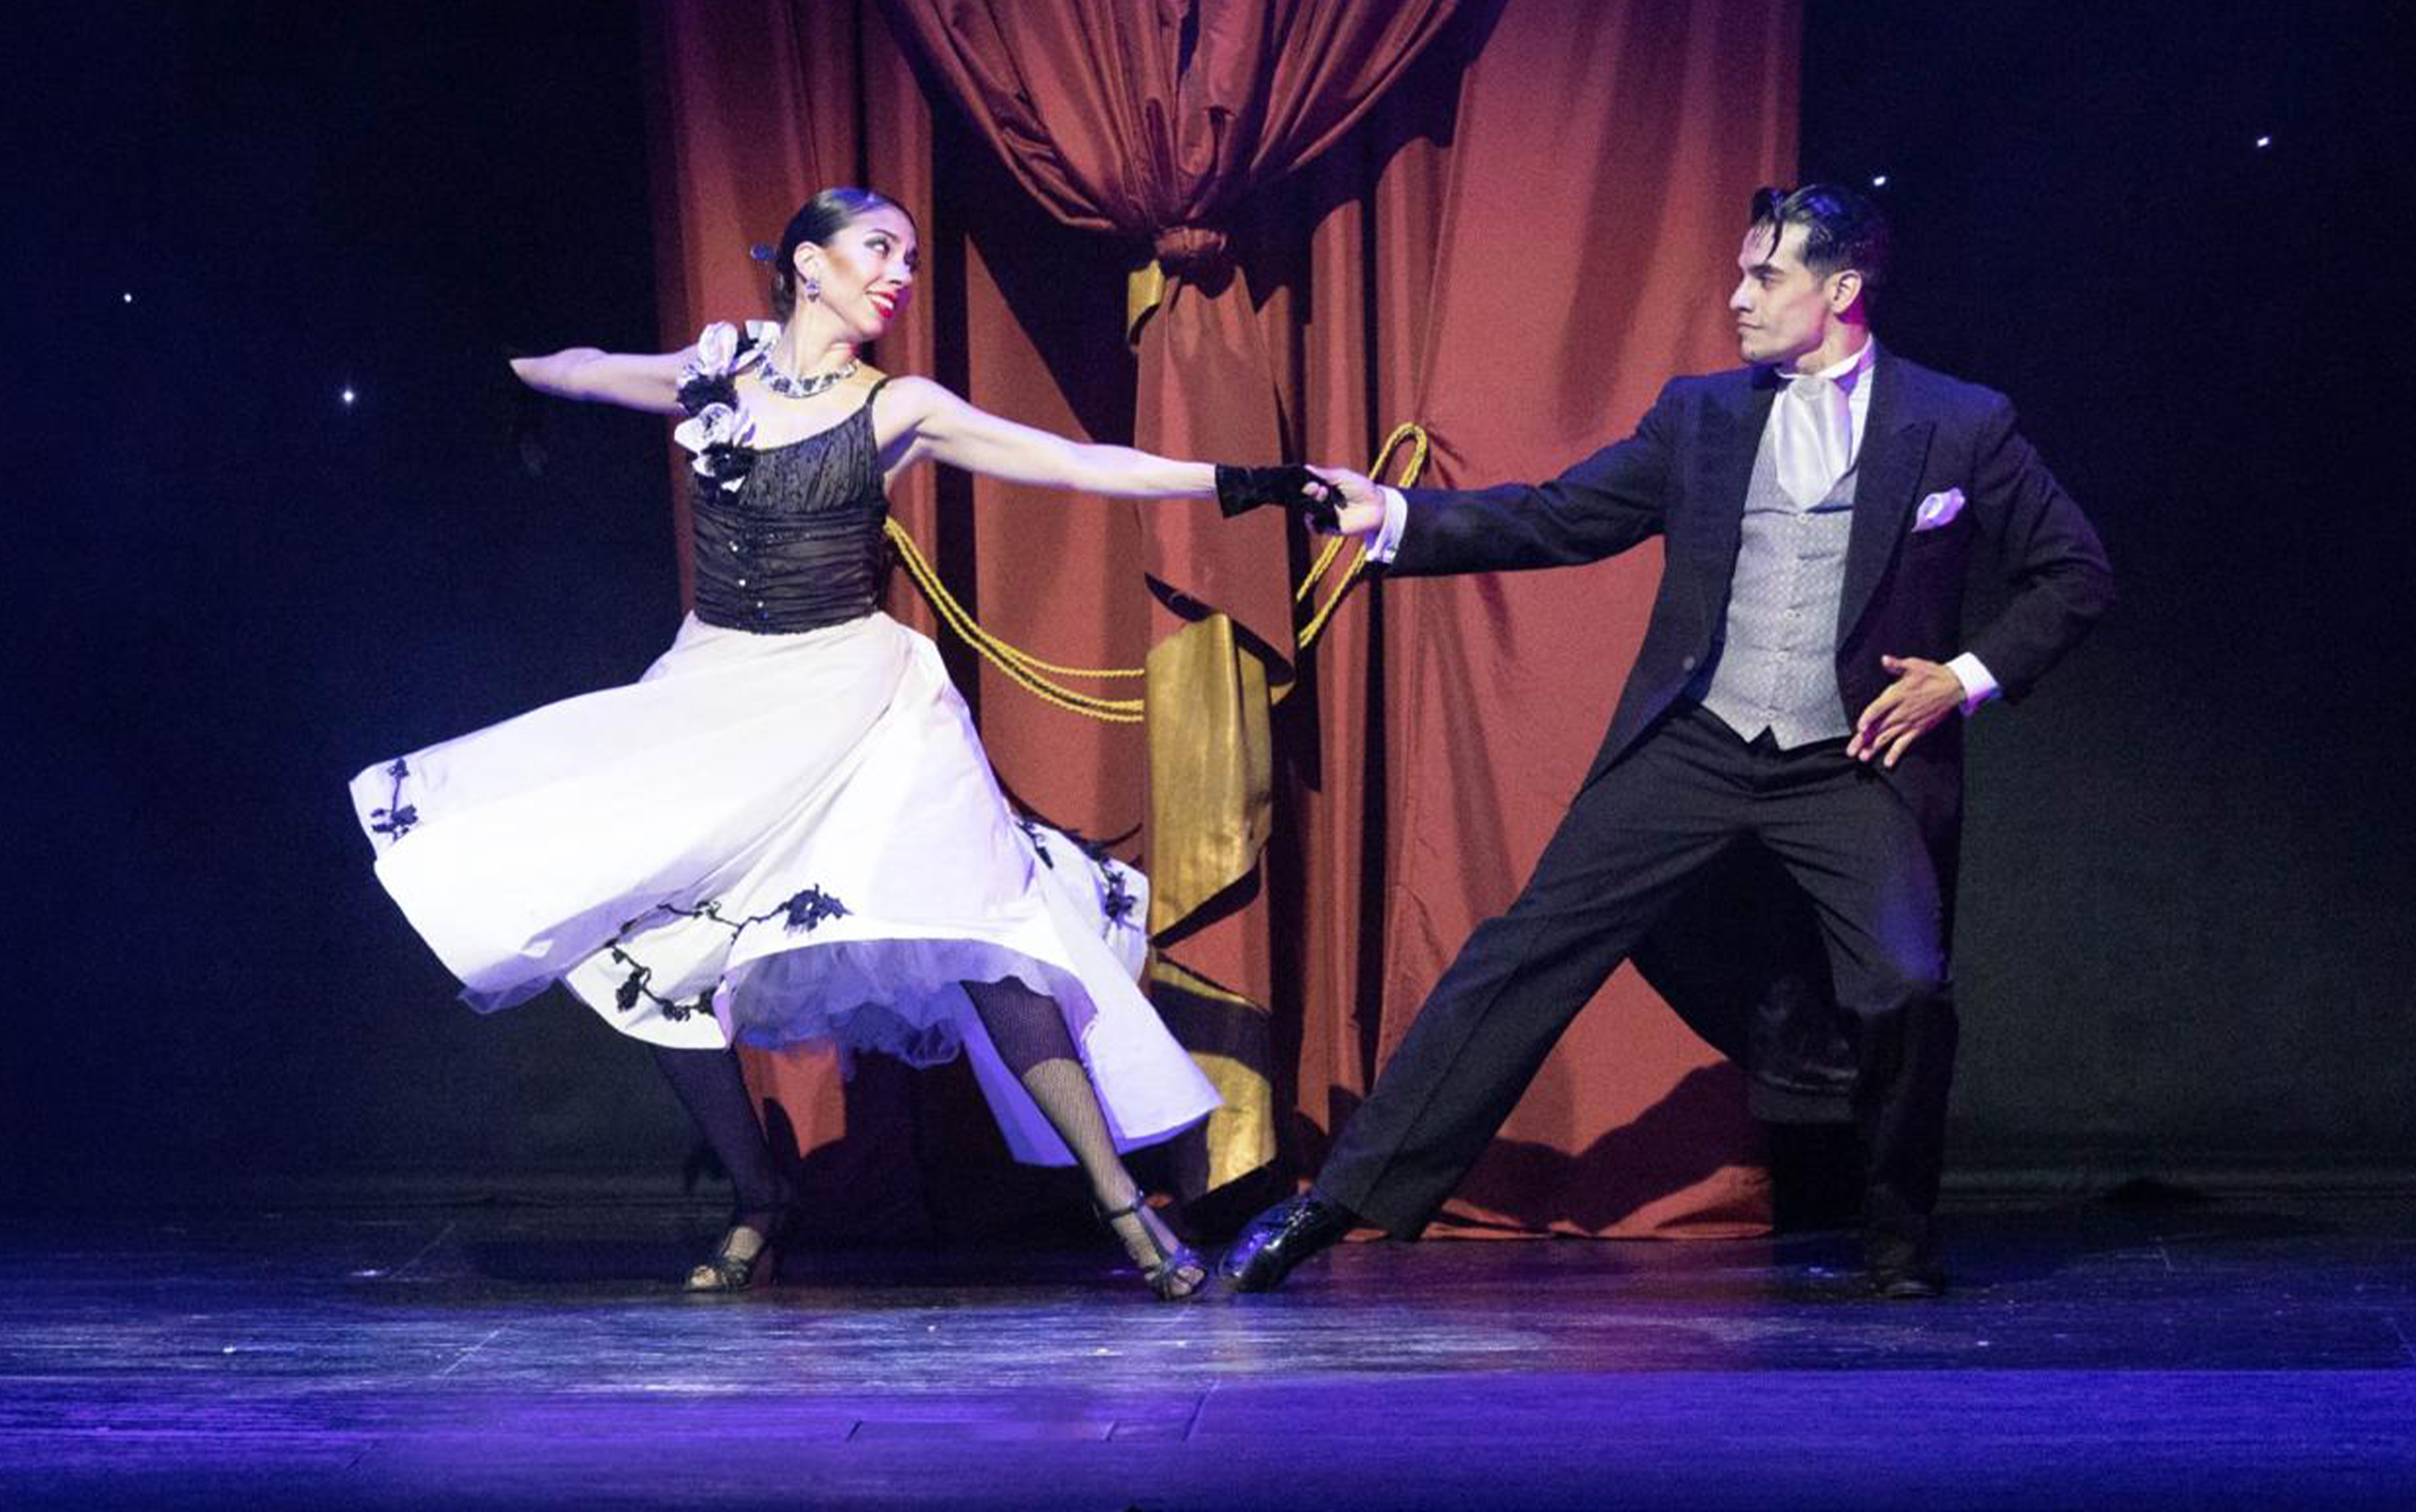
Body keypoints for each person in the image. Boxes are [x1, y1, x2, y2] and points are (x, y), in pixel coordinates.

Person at [349, 186, 1332, 1297]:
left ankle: (1122, 1205)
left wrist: (1245, 482)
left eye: (908, 255)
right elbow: (589, 367)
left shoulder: (900, 405)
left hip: (862, 697)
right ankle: (760, 1195)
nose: (899, 273)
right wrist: (502, 372)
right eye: (878, 248)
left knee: (987, 933)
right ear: (808, 264)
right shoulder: (716, 372)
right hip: (722, 693)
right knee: (644, 943)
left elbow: (1074, 461)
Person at [1222, 184, 2114, 1298]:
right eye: (1739, 273)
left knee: (1903, 984)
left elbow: (2074, 573)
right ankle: (1334, 1202)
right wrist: (1396, 517)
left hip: (1850, 758)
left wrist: (1961, 678)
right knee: (1526, 949)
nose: (1737, 296)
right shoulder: (1700, 415)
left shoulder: (1959, 420)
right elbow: (1560, 515)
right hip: (1700, 736)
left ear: (1840, 289)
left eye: (1765, 276)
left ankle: (1897, 1237)